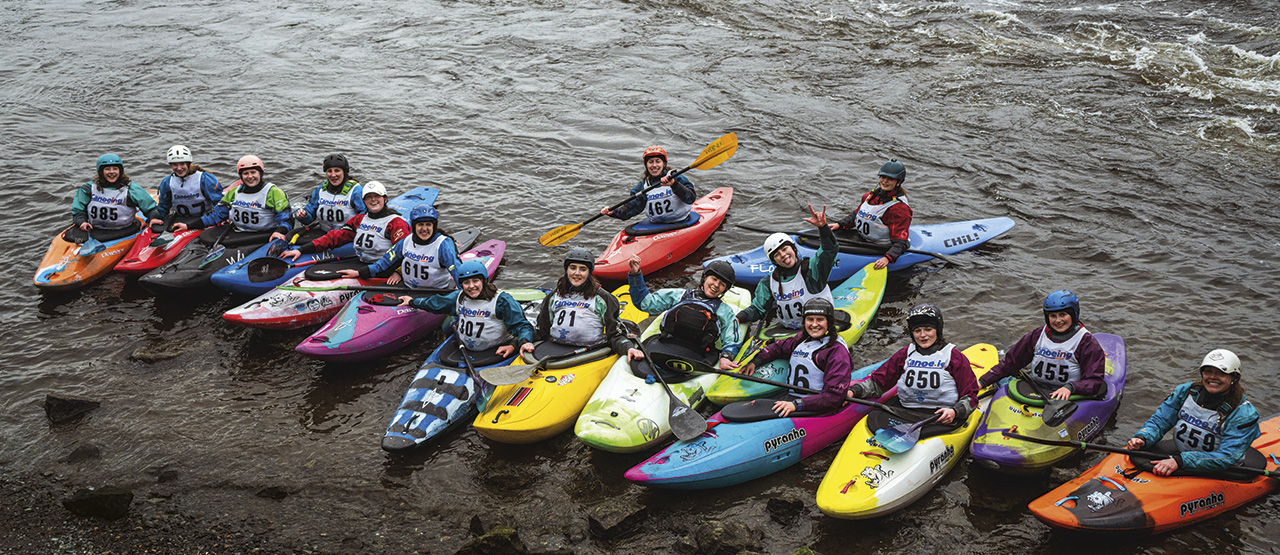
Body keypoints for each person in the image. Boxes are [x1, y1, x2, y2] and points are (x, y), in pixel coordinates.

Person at [1125, 349, 1261, 476]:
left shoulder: (1244, 414)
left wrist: (1180, 461)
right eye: (1208, 372)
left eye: (1221, 373)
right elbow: (1161, 420)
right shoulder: (1185, 392)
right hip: (1183, 455)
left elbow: (1227, 456)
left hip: (1220, 466)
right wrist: (1143, 437)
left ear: (1234, 378)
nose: (1213, 377)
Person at [847, 304, 979, 425]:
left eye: (928, 329)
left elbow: (970, 395)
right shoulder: (905, 354)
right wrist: (854, 391)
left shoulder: (954, 357)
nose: (923, 335)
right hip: (906, 411)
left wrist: (955, 411)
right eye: (917, 331)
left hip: (941, 416)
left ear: (937, 331)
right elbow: (878, 383)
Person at [727, 298, 853, 417]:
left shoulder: (836, 352)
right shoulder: (802, 339)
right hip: (792, 398)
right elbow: (778, 348)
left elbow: (833, 397)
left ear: (829, 322)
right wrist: (756, 361)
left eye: (820, 319)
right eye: (810, 319)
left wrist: (797, 405)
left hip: (815, 406)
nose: (814, 325)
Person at [976, 290, 1106, 400]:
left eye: (1063, 315)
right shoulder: (1038, 335)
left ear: (1073, 314)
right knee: (1002, 381)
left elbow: (1094, 380)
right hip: (1035, 388)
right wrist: (983, 381)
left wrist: (1071, 387)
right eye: (1053, 316)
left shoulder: (1086, 342)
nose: (1058, 320)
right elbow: (1011, 362)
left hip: (1068, 394)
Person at [396, 260, 534, 358]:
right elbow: (435, 303)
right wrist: (413, 302)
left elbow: (521, 325)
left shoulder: (502, 301)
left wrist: (522, 343)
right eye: (466, 282)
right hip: (464, 349)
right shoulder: (459, 297)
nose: (471, 286)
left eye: (475, 281)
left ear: (484, 281)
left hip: (495, 351)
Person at [626, 255, 741, 371]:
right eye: (714, 279)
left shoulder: (724, 311)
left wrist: (726, 357)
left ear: (725, 290)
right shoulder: (679, 296)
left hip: (698, 354)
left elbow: (732, 337)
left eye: (722, 284)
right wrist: (635, 274)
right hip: (666, 345)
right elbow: (645, 303)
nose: (716, 285)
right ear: (705, 278)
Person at [737, 205, 838, 330]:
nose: (783, 255)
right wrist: (739, 317)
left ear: (793, 248)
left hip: (816, 328)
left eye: (785, 249)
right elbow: (758, 309)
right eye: (777, 255)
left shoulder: (811, 269)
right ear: (774, 261)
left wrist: (823, 228)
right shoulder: (768, 282)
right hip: (787, 330)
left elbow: (830, 250)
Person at [521, 247, 632, 357]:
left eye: (583, 269)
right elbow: (541, 331)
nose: (577, 273)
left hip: (591, 350)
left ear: (589, 272)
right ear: (566, 270)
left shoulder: (602, 298)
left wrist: (628, 348)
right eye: (573, 268)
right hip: (555, 346)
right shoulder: (554, 296)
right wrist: (523, 342)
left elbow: (615, 335)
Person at [279, 181, 409, 274]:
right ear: (364, 201)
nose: (373, 200)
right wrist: (302, 250)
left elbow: (403, 252)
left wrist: (397, 273)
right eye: (369, 197)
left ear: (385, 199)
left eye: (377, 196)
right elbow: (335, 237)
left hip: (383, 269)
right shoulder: (360, 219)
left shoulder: (396, 222)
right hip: (361, 262)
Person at [172, 155, 292, 244]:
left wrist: (280, 231)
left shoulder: (274, 192)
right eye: (245, 174)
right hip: (239, 233)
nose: (250, 177)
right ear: (241, 176)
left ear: (261, 173)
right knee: (206, 237)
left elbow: (287, 220)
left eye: (253, 172)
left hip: (264, 235)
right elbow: (216, 216)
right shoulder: (234, 193)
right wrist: (188, 226)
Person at [337, 203, 457, 286]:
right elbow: (383, 264)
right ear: (414, 226)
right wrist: (359, 273)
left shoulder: (443, 245)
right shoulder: (406, 241)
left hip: (435, 292)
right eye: (420, 225)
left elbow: (457, 271)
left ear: (434, 226)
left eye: (428, 225)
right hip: (408, 288)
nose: (424, 229)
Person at [829, 160, 913, 270]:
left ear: (898, 182)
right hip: (863, 239)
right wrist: (840, 224)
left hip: (882, 246)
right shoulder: (870, 196)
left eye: (890, 179)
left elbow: (900, 242)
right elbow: (857, 214)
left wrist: (887, 258)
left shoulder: (899, 208)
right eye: (883, 177)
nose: (885, 181)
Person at [67, 153, 162, 243]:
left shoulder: (131, 189)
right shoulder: (88, 189)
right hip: (95, 230)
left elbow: (151, 208)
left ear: (120, 171)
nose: (112, 172)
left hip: (125, 230)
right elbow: (78, 211)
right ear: (101, 172)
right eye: (107, 169)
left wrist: (152, 218)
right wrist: (82, 222)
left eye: (115, 169)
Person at [600, 145, 697, 225]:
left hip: (681, 221)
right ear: (646, 165)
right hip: (656, 225)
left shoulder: (676, 177)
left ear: (664, 164)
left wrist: (674, 185)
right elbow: (631, 208)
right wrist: (613, 212)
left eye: (658, 161)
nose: (654, 165)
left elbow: (691, 198)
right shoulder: (643, 186)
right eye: (650, 162)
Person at [149, 145, 222, 229]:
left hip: (204, 219)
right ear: (170, 165)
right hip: (181, 219)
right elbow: (163, 207)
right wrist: (154, 217)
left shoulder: (205, 179)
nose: (179, 168)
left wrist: (221, 219)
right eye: (175, 165)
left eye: (182, 164)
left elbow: (219, 203)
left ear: (188, 163)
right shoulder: (167, 182)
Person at [294, 153, 365, 232]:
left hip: (348, 236)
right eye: (329, 171)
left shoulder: (356, 191)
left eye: (337, 171)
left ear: (344, 172)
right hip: (325, 235)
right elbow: (309, 218)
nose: (333, 175)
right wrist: (302, 215)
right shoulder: (320, 190)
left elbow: (365, 215)